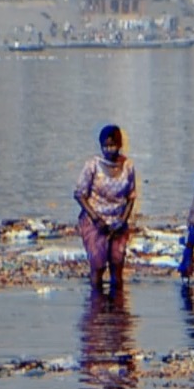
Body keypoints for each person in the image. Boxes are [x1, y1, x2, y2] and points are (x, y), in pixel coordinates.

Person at [74, 124, 136, 293]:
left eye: (113, 145)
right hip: (95, 220)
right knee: (98, 264)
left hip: (117, 220)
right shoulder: (92, 166)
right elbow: (79, 195)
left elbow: (131, 197)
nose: (110, 150)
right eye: (106, 146)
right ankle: (96, 306)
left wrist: (123, 221)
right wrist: (95, 218)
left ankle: (118, 309)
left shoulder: (128, 166)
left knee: (117, 263)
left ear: (120, 145)